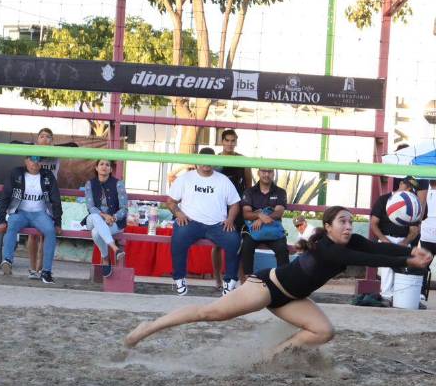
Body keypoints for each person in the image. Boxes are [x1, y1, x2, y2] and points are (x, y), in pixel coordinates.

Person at [124, 206, 433, 354]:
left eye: (351, 222)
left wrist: (410, 251)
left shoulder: (350, 241)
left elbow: (379, 249)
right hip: (267, 287)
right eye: (343, 222)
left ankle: (272, 357)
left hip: (292, 299)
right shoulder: (330, 249)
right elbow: (370, 260)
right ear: (327, 227)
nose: (349, 226)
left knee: (324, 331)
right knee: (211, 313)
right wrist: (407, 261)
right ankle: (147, 328)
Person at [166, 147, 241, 297]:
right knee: (178, 239)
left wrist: (230, 219)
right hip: (191, 222)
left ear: (214, 161)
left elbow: (235, 204)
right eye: (203, 160)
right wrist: (179, 213)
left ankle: (230, 281)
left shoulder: (223, 180)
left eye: (209, 160)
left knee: (234, 240)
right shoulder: (185, 178)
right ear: (197, 161)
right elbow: (171, 201)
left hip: (217, 225)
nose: (206, 163)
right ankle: (179, 278)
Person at [0, 155, 63, 285]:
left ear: (41, 162)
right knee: (12, 225)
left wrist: (58, 222)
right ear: (26, 161)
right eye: (32, 159)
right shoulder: (16, 173)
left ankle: (46, 271)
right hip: (20, 212)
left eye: (38, 159)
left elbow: (56, 199)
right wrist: (1, 219)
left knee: (50, 231)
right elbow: (5, 195)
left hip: (40, 214)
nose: (35, 162)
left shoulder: (47, 175)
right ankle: (7, 260)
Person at [370, 176, 420, 303]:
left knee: (404, 269)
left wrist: (405, 242)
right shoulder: (384, 199)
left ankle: (402, 298)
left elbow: (415, 229)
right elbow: (374, 223)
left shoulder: (413, 203)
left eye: (412, 189)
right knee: (387, 269)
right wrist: (384, 239)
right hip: (386, 238)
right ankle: (386, 296)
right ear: (401, 183)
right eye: (407, 186)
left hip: (403, 240)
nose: (409, 190)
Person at [212, 129, 252, 287]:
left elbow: (248, 186)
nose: (230, 143)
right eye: (227, 140)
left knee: (240, 243)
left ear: (236, 142)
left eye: (232, 141)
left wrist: (247, 205)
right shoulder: (215, 161)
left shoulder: (243, 160)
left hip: (238, 205)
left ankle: (242, 279)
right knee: (217, 244)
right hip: (219, 206)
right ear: (222, 141)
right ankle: (217, 277)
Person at [239, 168, 290, 275]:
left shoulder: (280, 192)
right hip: (253, 230)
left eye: (270, 172)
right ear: (258, 173)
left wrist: (262, 219)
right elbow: (246, 214)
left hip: (273, 230)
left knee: (282, 249)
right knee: (246, 247)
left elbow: (278, 213)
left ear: (273, 173)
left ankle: (283, 280)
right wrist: (259, 215)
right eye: (263, 171)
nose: (266, 174)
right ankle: (249, 279)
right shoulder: (249, 192)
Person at [83, 159, 127, 278]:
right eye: (101, 164)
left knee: (96, 232)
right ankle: (115, 248)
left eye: (107, 165)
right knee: (95, 216)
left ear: (111, 169)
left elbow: (124, 208)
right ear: (96, 168)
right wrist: (105, 216)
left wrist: (114, 217)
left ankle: (106, 258)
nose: (104, 167)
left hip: (113, 221)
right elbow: (91, 207)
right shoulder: (89, 184)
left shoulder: (118, 184)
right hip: (93, 219)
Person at [27, 128, 59, 280]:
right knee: (32, 234)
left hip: (49, 197)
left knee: (46, 234)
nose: (45, 139)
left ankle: (40, 268)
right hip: (34, 196)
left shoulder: (56, 153)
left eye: (48, 137)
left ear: (52, 141)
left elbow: (74, 145)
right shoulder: (32, 153)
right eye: (42, 136)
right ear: (37, 139)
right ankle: (33, 268)